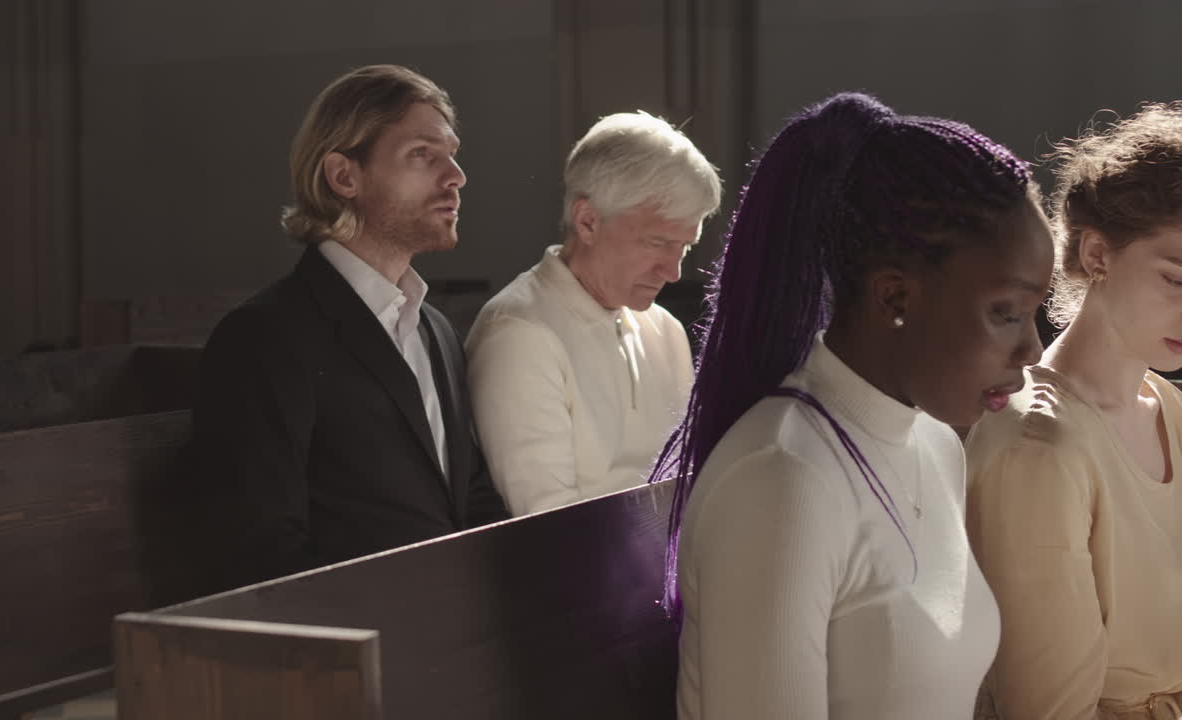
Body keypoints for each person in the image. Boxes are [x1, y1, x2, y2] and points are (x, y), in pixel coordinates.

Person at [648, 92, 1055, 719]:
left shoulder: (936, 444)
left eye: (1036, 314)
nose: (1032, 349)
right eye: (1006, 313)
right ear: (896, 295)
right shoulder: (783, 479)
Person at [191, 64, 508, 584]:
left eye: (452, 154)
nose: (455, 176)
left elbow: (466, 494)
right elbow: (260, 553)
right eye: (422, 155)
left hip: (450, 634)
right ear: (343, 176)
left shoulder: (436, 329)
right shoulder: (263, 338)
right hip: (351, 649)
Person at [966, 102, 1182, 720]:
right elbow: (1047, 710)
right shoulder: (1037, 443)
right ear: (1097, 255)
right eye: (1176, 279)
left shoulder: (1169, 409)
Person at [466, 112, 721, 516]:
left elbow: (695, 491)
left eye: (684, 249)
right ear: (587, 221)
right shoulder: (519, 333)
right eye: (657, 243)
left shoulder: (665, 330)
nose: (673, 273)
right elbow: (549, 523)